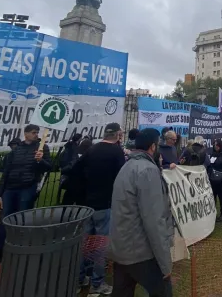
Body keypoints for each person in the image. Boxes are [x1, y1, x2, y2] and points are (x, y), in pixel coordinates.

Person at [109, 128, 173, 297]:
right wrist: (165, 263)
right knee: (162, 291)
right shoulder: (147, 171)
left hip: (122, 249)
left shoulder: (127, 166)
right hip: (141, 252)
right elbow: (154, 219)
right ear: (153, 147)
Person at [0, 124, 52, 269]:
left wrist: (40, 160)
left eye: (37, 132)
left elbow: (48, 168)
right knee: (5, 221)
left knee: (22, 222)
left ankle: (20, 253)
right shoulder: (16, 150)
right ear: (25, 134)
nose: (36, 134)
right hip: (10, 189)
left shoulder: (42, 148)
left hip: (27, 188)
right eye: (33, 132)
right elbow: (5, 173)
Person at [72, 124, 125, 295]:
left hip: (87, 203)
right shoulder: (116, 151)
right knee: (101, 245)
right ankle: (97, 283)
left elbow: (76, 169)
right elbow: (122, 177)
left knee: (85, 242)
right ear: (117, 134)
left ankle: (80, 279)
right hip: (105, 203)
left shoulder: (92, 149)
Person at [58, 133, 83, 205]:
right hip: (70, 173)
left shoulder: (68, 145)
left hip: (66, 170)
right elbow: (73, 161)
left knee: (67, 192)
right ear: (79, 139)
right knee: (70, 193)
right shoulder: (74, 147)